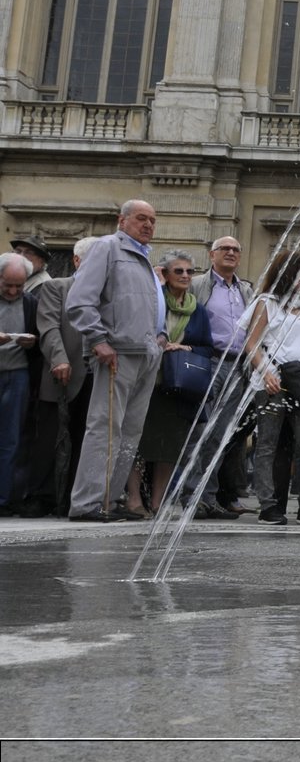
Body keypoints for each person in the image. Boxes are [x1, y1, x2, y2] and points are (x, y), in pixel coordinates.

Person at [64, 199, 163, 522]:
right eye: (141, 219)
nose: (148, 225)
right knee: (104, 428)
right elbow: (80, 301)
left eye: (152, 220)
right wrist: (98, 340)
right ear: (122, 221)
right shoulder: (107, 248)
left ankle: (110, 497)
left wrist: (159, 338)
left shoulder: (145, 258)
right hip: (117, 352)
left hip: (145, 353)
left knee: (130, 431)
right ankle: (88, 503)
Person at [244, 250, 300, 526]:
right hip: (273, 381)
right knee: (268, 444)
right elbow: (251, 344)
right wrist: (265, 371)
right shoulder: (267, 302)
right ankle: (268, 505)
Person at [15, 238, 92, 517]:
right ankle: (41, 495)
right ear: (77, 261)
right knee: (47, 437)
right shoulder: (55, 287)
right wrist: (59, 358)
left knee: (83, 437)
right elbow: (48, 327)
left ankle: (73, 497)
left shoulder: (107, 293)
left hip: (94, 375)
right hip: (60, 372)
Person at [138, 250, 216, 518]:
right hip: (149, 380)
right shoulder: (154, 302)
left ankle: (159, 502)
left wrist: (185, 346)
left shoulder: (198, 309)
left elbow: (208, 348)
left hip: (179, 385)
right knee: (141, 444)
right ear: (165, 274)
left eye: (189, 272)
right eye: (178, 271)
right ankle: (135, 500)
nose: (185, 276)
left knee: (169, 447)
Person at [184, 236, 255, 516]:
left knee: (221, 437)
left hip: (238, 367)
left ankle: (209, 498)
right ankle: (191, 498)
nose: (231, 252)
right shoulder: (199, 284)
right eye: (224, 249)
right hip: (208, 362)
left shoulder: (247, 290)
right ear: (212, 255)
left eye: (236, 249)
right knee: (199, 431)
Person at [0, 253, 41, 514]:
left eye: (19, 285)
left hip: (18, 375)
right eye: (8, 285)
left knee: (11, 440)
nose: (14, 291)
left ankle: (4, 499)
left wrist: (32, 342)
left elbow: (41, 339)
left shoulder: (31, 303)